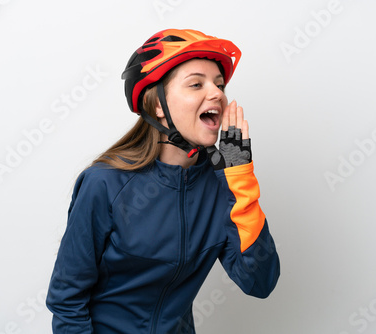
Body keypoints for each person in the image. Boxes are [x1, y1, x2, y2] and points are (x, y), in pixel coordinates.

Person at [46, 28, 280, 334]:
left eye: (219, 85)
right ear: (158, 105)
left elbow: (259, 281)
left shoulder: (223, 185)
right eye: (197, 84)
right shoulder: (104, 184)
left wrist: (241, 179)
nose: (217, 94)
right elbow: (67, 302)